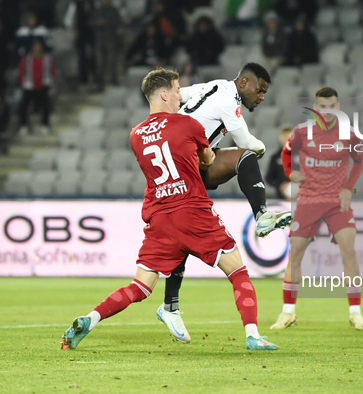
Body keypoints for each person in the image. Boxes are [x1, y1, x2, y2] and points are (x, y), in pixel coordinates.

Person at [60, 68, 278, 351]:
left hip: (159, 216)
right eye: (177, 90)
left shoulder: (135, 134)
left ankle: (91, 318)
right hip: (192, 210)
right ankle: (252, 335)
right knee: (237, 272)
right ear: (164, 94)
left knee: (139, 286)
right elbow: (208, 159)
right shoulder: (189, 125)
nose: (181, 96)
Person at [156, 63, 292, 343]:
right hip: (181, 170)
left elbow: (179, 94)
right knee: (249, 153)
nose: (261, 96)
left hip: (192, 164)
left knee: (242, 159)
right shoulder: (228, 101)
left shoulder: (213, 85)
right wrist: (263, 147)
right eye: (260, 90)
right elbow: (246, 140)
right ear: (244, 82)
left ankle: (263, 215)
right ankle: (169, 305)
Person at [270, 86, 363, 331]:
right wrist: (289, 172)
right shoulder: (302, 132)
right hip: (308, 201)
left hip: (337, 202)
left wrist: (348, 187)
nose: (327, 111)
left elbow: (359, 160)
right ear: (315, 107)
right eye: (322, 106)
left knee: (349, 252)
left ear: (338, 106)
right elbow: (285, 153)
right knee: (295, 255)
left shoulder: (349, 134)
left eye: (332, 106)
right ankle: (288, 313)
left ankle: (355, 313)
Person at [18, 40, 55, 136]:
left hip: (43, 86)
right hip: (29, 86)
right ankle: (23, 126)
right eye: (35, 47)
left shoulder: (47, 58)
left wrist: (50, 82)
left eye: (39, 47)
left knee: (46, 106)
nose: (37, 49)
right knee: (22, 107)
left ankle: (45, 125)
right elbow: (21, 72)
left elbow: (53, 71)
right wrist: (23, 83)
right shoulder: (26, 59)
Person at [265, 124, 292, 200]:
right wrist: (280, 185)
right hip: (281, 199)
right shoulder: (275, 157)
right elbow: (269, 178)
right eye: (284, 136)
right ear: (280, 138)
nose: (287, 138)